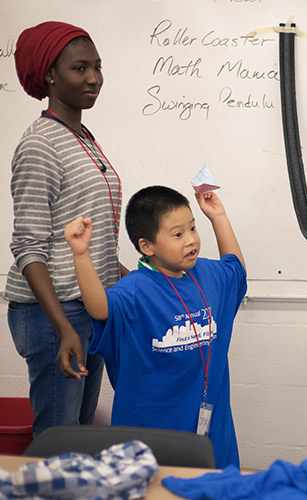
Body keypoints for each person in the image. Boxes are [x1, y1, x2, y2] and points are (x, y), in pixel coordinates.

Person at [64, 186, 247, 468]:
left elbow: (236, 270)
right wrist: (80, 255)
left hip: (213, 438)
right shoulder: (135, 289)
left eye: (193, 228)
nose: (191, 240)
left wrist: (218, 217)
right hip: (149, 441)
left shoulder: (208, 274)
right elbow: (100, 307)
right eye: (178, 234)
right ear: (147, 246)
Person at [5, 21, 125, 437]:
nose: (94, 78)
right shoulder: (41, 143)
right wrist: (63, 329)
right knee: (59, 439)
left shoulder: (81, 136)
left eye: (97, 66)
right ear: (50, 75)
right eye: (80, 68)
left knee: (79, 433)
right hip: (53, 312)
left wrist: (142, 278)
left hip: (87, 305)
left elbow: (89, 237)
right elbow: (29, 247)